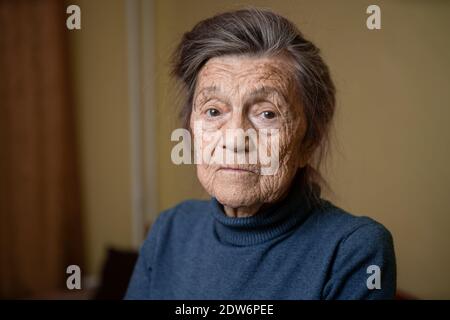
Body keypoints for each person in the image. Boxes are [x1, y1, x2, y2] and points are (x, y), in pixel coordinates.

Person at [125, 8, 396, 300]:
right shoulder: (169, 230)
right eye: (213, 111)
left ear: (309, 141)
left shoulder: (353, 250)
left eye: (267, 113)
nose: (235, 139)